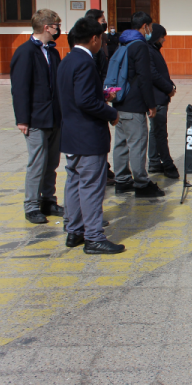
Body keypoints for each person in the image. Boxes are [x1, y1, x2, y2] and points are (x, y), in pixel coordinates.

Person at [57, 16, 124, 255]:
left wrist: (101, 97)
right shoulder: (85, 62)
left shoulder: (67, 60)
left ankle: (74, 230)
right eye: (101, 39)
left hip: (72, 134)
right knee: (91, 187)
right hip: (88, 136)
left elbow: (77, 96)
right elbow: (85, 101)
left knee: (74, 183)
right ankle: (93, 236)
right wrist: (110, 112)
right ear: (95, 39)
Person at [10, 8, 64, 224]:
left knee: (51, 162)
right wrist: (22, 119)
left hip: (54, 117)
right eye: (56, 26)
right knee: (37, 162)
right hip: (35, 118)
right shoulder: (25, 52)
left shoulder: (52, 51)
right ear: (46, 27)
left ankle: (48, 200)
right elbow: (20, 88)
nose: (58, 29)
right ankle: (31, 205)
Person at [112, 11, 164, 198]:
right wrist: (151, 104)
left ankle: (122, 180)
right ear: (145, 26)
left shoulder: (122, 42)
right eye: (149, 26)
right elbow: (144, 78)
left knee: (121, 144)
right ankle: (141, 183)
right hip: (134, 104)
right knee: (138, 144)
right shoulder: (140, 46)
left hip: (119, 101)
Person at [83, 8, 116, 185]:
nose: (105, 23)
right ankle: (100, 173)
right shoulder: (87, 55)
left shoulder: (100, 42)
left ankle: (105, 168)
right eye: (102, 20)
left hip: (100, 92)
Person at [146, 24, 178, 179]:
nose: (163, 40)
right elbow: (153, 74)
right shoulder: (148, 51)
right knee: (160, 132)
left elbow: (161, 72)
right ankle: (167, 163)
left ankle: (153, 161)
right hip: (157, 97)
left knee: (154, 131)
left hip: (160, 96)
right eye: (162, 37)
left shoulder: (154, 50)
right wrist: (168, 88)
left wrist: (170, 84)